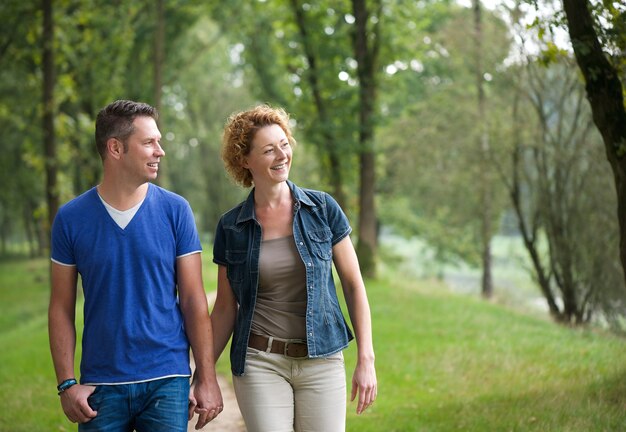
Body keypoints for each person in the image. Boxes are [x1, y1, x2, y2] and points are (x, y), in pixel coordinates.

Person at [48, 99, 223, 431]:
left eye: (158, 141)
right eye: (149, 143)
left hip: (167, 380)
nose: (160, 151)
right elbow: (60, 307)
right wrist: (67, 384)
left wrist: (207, 378)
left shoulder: (176, 211)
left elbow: (193, 300)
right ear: (116, 148)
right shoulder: (71, 219)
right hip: (101, 385)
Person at [210, 104, 377, 431]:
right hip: (261, 362)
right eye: (269, 150)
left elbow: (354, 285)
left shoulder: (323, 208)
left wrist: (366, 358)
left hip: (322, 361)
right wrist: (203, 373)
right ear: (245, 160)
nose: (281, 155)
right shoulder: (231, 227)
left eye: (284, 144)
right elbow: (226, 308)